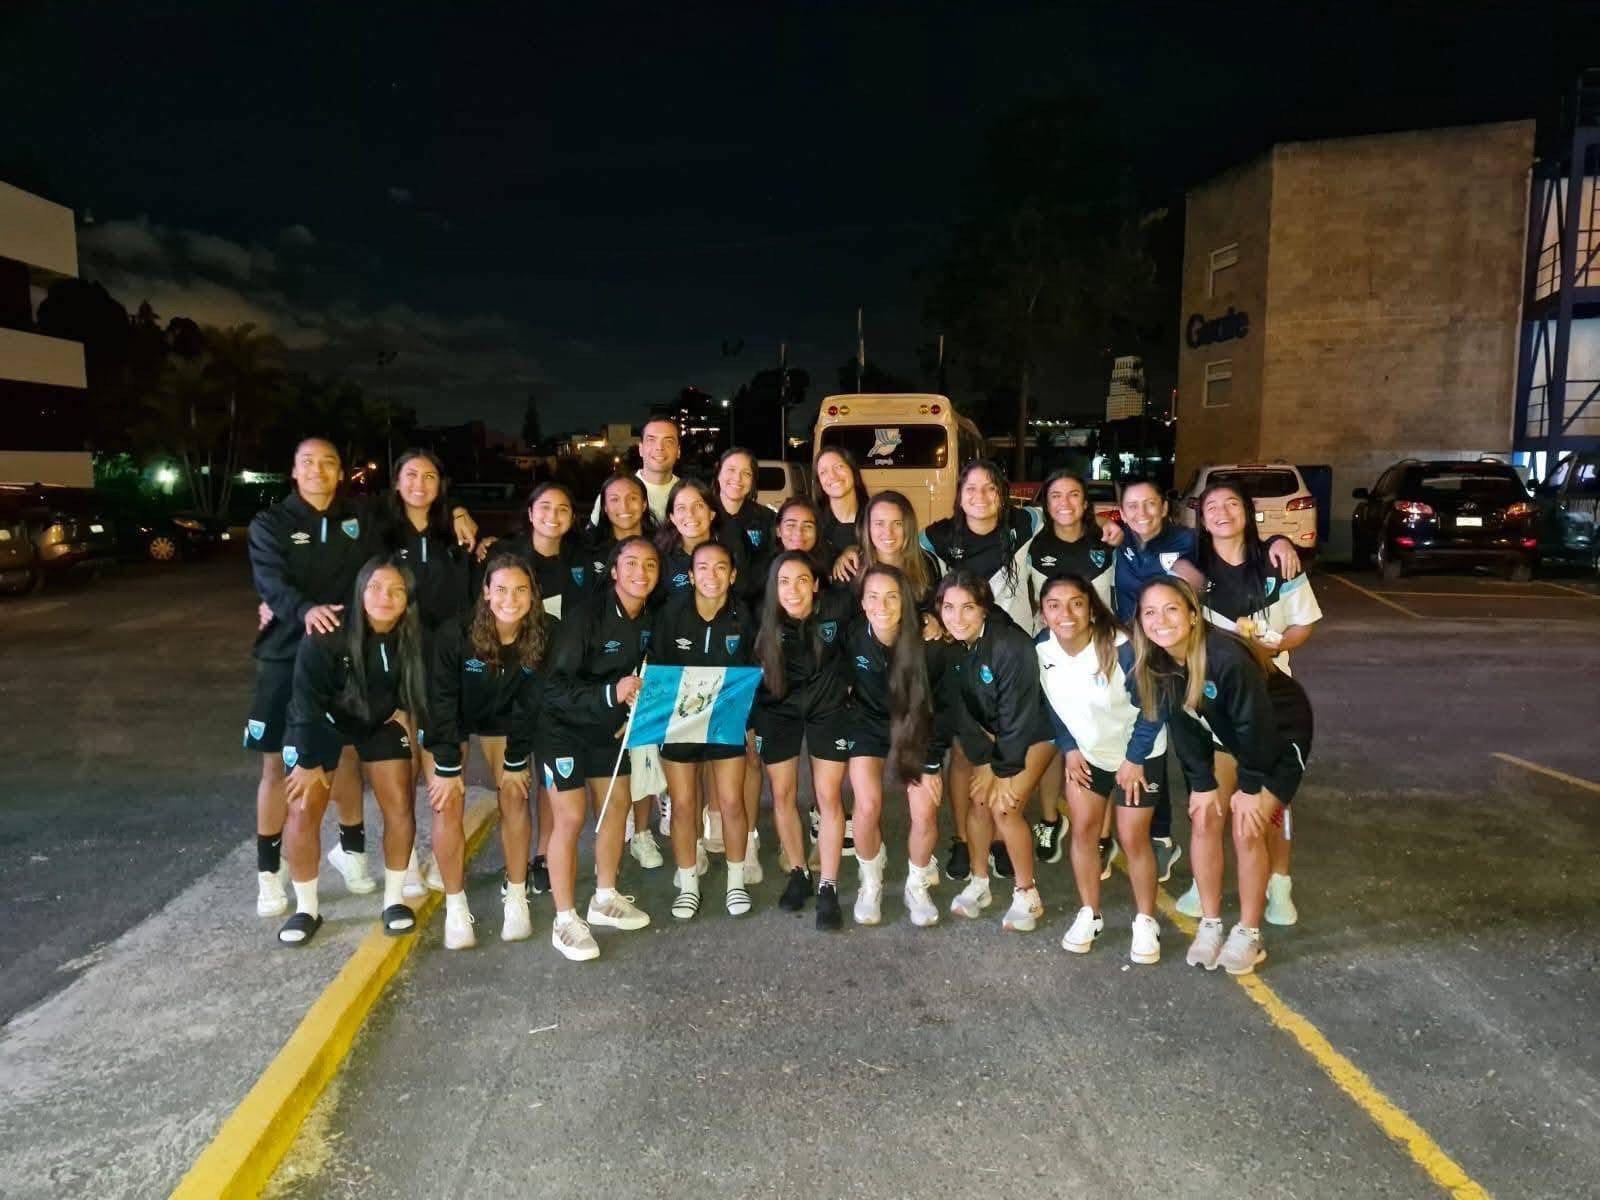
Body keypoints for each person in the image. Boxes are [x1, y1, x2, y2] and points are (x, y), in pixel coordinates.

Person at [246, 439, 472, 917]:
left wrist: (458, 512)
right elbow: (270, 581)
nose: (318, 470)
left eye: (329, 463)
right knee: (280, 767)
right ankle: (269, 871)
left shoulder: (360, 517)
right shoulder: (271, 523)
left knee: (348, 750)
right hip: (288, 652)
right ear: (293, 470)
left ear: (341, 472)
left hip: (349, 652)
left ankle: (351, 850)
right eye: (308, 462)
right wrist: (300, 610)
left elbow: (410, 514)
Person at [1131, 578, 1314, 976]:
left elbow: (1256, 727)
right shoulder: (1159, 662)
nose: (1161, 620)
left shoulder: (1225, 657)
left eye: (1171, 609)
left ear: (1193, 615)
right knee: (1204, 816)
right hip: (1228, 732)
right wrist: (1202, 784)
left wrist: (1249, 788)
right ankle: (1211, 924)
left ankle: (1249, 933)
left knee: (1248, 826)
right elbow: (1183, 728)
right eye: (1150, 612)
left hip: (1279, 734)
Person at [1178, 480, 1324, 926]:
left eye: (1232, 504)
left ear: (1248, 511)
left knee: (1270, 806)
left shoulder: (1277, 561)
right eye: (1212, 506)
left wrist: (1276, 644)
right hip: (1215, 704)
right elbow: (1171, 613)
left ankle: (1279, 883)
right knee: (1212, 802)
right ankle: (1204, 881)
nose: (1222, 513)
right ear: (1202, 518)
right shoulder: (1192, 570)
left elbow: (1303, 625)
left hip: (1271, 700)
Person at [277, 555, 430, 946]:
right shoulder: (329, 629)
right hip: (320, 723)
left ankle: (394, 900)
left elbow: (418, 689)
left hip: (377, 722)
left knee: (400, 804)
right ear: (360, 590)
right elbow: (305, 700)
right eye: (375, 587)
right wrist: (307, 760)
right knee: (302, 806)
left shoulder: (412, 635)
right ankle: (306, 908)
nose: (385, 597)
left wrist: (404, 711)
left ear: (408, 599)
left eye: (396, 590)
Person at [541, 536, 660, 961]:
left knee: (617, 806)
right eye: (631, 564)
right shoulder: (585, 617)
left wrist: (628, 713)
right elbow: (554, 687)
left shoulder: (650, 618)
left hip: (607, 729)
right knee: (570, 817)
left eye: (650, 565)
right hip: (561, 728)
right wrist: (611, 694)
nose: (640, 573)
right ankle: (564, 920)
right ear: (613, 571)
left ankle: (605, 897)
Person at [1035, 575, 1166, 964]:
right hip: (1089, 754)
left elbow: (1154, 706)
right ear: (1042, 613)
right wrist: (1069, 747)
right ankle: (1089, 913)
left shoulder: (1120, 647)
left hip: (1139, 754)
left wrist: (1134, 758)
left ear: (1091, 608)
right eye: (1054, 605)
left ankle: (1146, 921)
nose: (1065, 613)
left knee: (1133, 837)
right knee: (1083, 831)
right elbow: (1051, 702)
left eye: (1076, 603)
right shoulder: (1041, 648)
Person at [922, 461, 1040, 882]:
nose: (981, 497)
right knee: (964, 752)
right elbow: (901, 555)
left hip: (1013, 655)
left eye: (991, 488)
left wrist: (1108, 531)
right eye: (971, 488)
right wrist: (929, 615)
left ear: (1003, 494)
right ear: (959, 494)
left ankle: (1001, 838)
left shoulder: (1026, 524)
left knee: (1012, 740)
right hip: (964, 650)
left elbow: (1068, 520)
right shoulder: (936, 536)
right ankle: (961, 839)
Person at [424, 556, 548, 949]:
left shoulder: (543, 633)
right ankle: (456, 906)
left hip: (505, 720)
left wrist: (516, 759)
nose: (511, 599)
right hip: (454, 717)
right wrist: (447, 766)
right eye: (502, 590)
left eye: (521, 590)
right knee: (447, 801)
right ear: (486, 593)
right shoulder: (454, 634)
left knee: (514, 793)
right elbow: (441, 701)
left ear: (533, 594)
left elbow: (532, 702)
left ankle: (516, 895)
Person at [936, 570, 1054, 931]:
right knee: (978, 801)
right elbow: (959, 711)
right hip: (992, 734)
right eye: (949, 607)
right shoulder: (952, 645)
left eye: (968, 608)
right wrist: (984, 761)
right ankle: (980, 882)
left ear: (984, 608)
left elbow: (1018, 716)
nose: (957, 617)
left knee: (1005, 807)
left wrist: (1001, 767)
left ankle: (1027, 893)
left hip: (1035, 732)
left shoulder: (1009, 645)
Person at [843, 565, 959, 926]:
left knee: (925, 812)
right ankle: (871, 880)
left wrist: (932, 762)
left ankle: (916, 884)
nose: (882, 606)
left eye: (892, 597)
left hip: (915, 728)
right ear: (863, 603)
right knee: (866, 805)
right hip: (868, 726)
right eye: (873, 597)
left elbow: (943, 709)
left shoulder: (929, 644)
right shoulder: (852, 636)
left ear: (906, 601)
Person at [751, 551, 856, 929]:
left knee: (828, 797)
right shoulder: (761, 619)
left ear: (815, 584)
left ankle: (828, 885)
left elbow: (870, 634)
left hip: (828, 708)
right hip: (777, 709)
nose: (793, 590)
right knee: (782, 794)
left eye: (801, 581)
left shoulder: (838, 608)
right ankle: (799, 871)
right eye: (784, 582)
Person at [653, 540, 757, 918]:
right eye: (703, 568)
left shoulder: (743, 616)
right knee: (683, 805)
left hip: (726, 718)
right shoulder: (671, 613)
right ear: (691, 575)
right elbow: (658, 670)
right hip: (681, 718)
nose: (712, 575)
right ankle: (688, 884)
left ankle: (735, 881)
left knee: (731, 802)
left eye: (720, 568)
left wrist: (750, 726)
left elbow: (754, 673)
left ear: (732, 575)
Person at [1025, 470, 1119, 865]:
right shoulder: (1033, 545)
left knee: (1101, 741)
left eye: (1074, 494)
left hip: (1100, 655)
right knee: (1054, 741)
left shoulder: (1107, 542)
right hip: (1053, 658)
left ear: (1086, 502)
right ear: (1045, 504)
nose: (1065, 503)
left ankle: (1103, 832)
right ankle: (1050, 819)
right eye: (1056, 496)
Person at [584, 471, 663, 869]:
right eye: (613, 499)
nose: (624, 507)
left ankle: (643, 831)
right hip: (599, 671)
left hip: (644, 660)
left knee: (643, 749)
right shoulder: (588, 547)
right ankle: (618, 829)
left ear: (645, 503)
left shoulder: (661, 544)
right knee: (608, 762)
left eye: (633, 498)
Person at [713, 447, 776, 879]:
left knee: (750, 748)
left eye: (746, 472)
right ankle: (713, 824)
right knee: (707, 746)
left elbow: (771, 577)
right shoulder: (700, 512)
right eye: (730, 470)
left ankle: (749, 836)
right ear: (718, 474)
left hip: (751, 643)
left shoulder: (764, 521)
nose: (737, 478)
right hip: (705, 641)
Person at [588, 416, 682, 525]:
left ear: (678, 451)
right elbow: (592, 533)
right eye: (651, 440)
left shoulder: (689, 494)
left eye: (668, 441)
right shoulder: (614, 492)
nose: (659, 447)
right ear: (640, 449)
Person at [811, 446, 868, 570]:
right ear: (819, 482)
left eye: (838, 467)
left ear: (853, 470)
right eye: (823, 472)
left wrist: (858, 549)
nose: (832, 476)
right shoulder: (813, 522)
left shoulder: (874, 515)